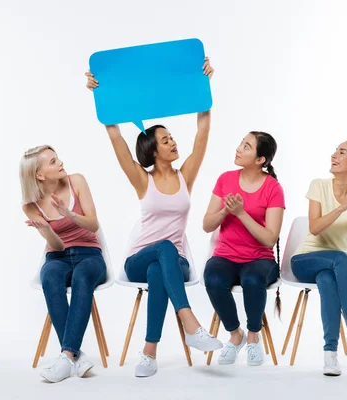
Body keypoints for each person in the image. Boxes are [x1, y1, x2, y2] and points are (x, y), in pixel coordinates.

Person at [85, 57, 222, 378]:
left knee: (162, 269)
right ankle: (190, 322)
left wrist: (204, 86)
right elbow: (116, 137)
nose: (173, 142)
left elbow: (203, 130)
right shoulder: (141, 179)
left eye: (172, 137)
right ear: (152, 149)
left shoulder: (185, 176)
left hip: (173, 261)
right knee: (162, 250)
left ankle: (149, 353)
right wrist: (100, 92)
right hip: (139, 257)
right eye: (165, 140)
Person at [291, 139, 347, 376]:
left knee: (328, 280)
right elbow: (315, 228)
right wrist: (343, 207)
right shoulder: (319, 185)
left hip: (338, 266)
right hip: (306, 260)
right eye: (335, 151)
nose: (334, 155)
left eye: (342, 152)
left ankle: (330, 356)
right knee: (340, 259)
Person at [20, 145, 106, 383]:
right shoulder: (31, 205)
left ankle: (66, 356)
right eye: (52, 162)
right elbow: (56, 246)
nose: (60, 163)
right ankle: (75, 357)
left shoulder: (76, 181)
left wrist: (68, 214)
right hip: (58, 256)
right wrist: (47, 231)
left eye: (57, 159)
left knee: (82, 276)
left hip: (89, 254)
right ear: (39, 175)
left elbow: (93, 225)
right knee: (49, 277)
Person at [202, 131, 285, 366]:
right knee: (214, 279)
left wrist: (241, 213)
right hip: (226, 255)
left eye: (246, 146)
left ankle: (252, 337)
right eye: (241, 143)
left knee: (252, 280)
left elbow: (269, 239)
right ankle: (235, 335)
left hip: (260, 258)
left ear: (260, 160)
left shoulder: (273, 188)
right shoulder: (225, 179)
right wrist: (225, 212)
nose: (239, 148)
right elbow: (207, 225)